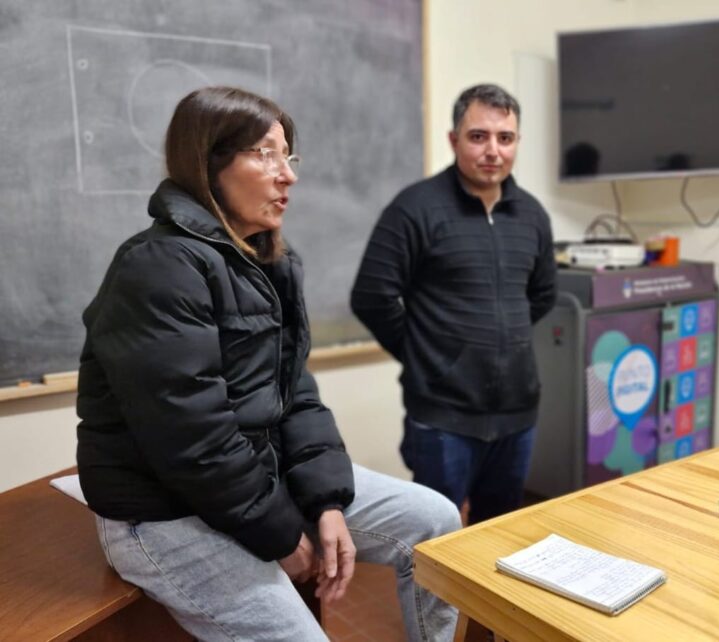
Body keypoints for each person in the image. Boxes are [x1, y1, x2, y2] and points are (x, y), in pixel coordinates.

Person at [76, 86, 461, 642]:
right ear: (208, 164)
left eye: (289, 156)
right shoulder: (158, 267)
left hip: (255, 479)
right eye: (265, 155)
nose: (289, 176)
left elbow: (295, 392)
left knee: (436, 521)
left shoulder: (270, 259)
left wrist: (326, 501)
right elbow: (194, 439)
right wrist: (280, 535)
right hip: (162, 511)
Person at [351, 83, 557, 524]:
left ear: (517, 142)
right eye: (478, 136)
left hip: (517, 415)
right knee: (437, 539)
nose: (493, 151)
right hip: (443, 419)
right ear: (454, 140)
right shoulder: (415, 208)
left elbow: (543, 295)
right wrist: (429, 355)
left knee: (499, 535)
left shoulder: (532, 215)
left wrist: (504, 339)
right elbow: (371, 296)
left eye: (505, 138)